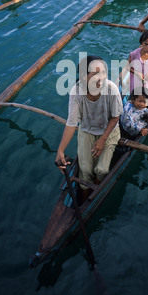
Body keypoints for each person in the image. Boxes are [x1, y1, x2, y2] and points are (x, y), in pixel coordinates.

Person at [55, 55, 123, 201]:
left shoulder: (111, 89)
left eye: (104, 72)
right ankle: (85, 198)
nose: (101, 77)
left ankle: (94, 195)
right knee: (85, 171)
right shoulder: (76, 92)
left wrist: (103, 139)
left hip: (109, 131)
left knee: (102, 169)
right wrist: (60, 150)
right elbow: (72, 123)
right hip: (86, 131)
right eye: (95, 73)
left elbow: (116, 117)